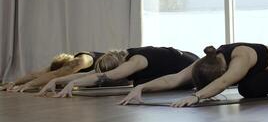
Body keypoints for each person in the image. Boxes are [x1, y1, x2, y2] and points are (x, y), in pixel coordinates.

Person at [119, 43, 268, 107]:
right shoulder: (206, 61)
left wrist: (198, 96)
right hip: (264, 73)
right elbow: (174, 78)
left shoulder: (239, 59)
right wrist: (141, 88)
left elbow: (224, 82)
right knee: (250, 88)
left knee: (248, 88)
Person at [37, 46, 199, 97]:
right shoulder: (122, 56)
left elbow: (106, 76)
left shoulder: (135, 61)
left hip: (193, 68)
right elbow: (90, 74)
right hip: (184, 60)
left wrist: (74, 83)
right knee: (138, 83)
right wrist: (56, 80)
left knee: (140, 84)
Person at [1, 51, 108, 92]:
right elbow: (36, 74)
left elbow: (56, 74)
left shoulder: (81, 60)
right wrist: (14, 82)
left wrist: (29, 85)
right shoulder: (63, 65)